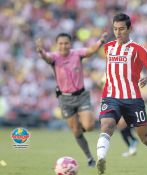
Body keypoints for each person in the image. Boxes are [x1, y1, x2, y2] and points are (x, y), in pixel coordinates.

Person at [96, 13, 147, 175]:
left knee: (145, 138)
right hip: (111, 96)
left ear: (129, 29)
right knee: (107, 125)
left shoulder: (138, 49)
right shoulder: (108, 47)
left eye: (122, 29)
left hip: (133, 99)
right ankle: (101, 158)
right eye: (115, 29)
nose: (118, 32)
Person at [35, 32, 107, 167]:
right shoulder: (54, 57)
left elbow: (90, 51)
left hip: (81, 96)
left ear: (70, 44)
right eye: (61, 43)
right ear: (57, 45)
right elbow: (46, 57)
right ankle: (90, 158)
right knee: (76, 131)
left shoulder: (77, 54)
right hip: (65, 99)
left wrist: (100, 41)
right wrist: (41, 51)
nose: (63, 46)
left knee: (90, 126)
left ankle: (80, 128)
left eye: (66, 43)